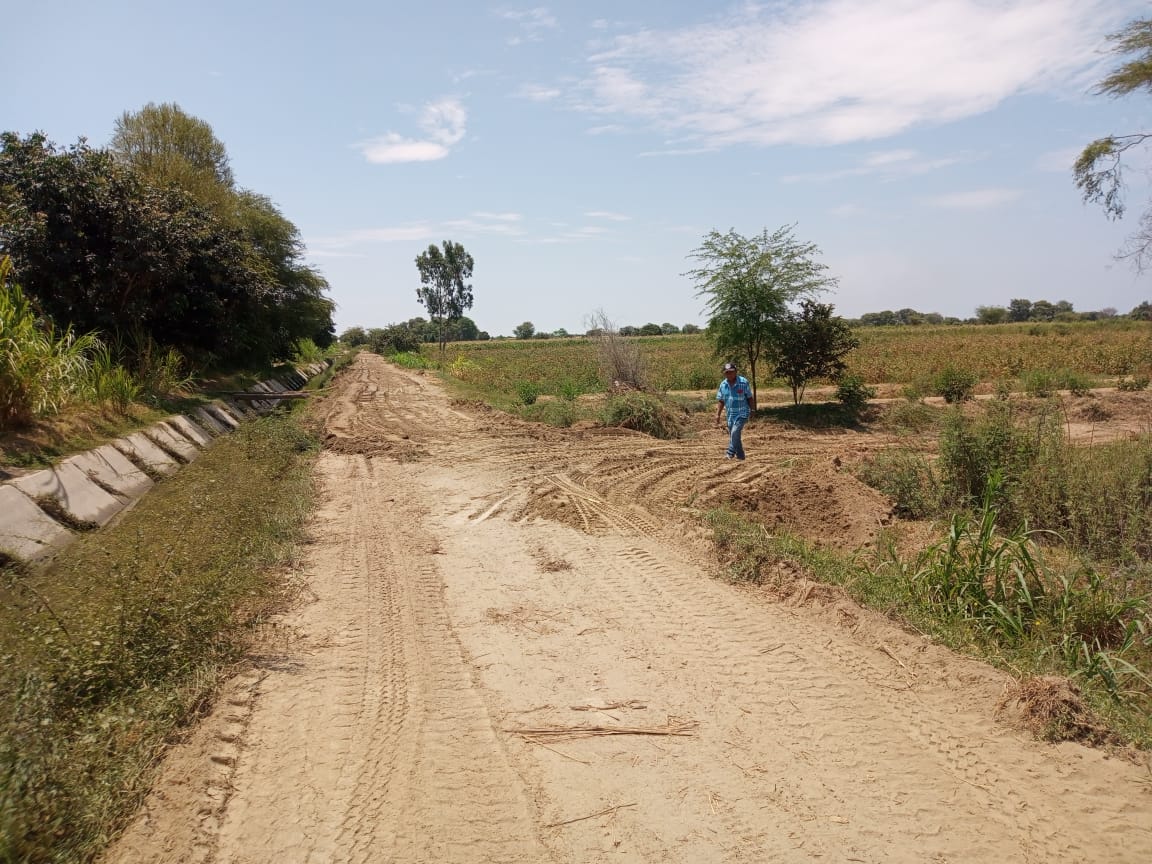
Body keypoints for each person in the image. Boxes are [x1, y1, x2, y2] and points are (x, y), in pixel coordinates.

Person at [715, 362, 755, 460]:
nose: (729, 374)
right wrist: (718, 415)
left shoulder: (743, 382)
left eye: (731, 372)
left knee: (735, 432)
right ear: (724, 374)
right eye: (727, 372)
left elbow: (749, 397)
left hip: (742, 413)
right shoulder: (723, 385)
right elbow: (721, 400)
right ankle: (740, 457)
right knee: (735, 436)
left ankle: (731, 453)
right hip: (730, 414)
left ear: (736, 372)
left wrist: (752, 410)